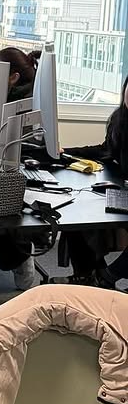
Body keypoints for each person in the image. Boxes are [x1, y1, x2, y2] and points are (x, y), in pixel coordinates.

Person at [0, 46, 47, 291]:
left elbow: (34, 141)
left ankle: (21, 256)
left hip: (21, 161)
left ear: (13, 77)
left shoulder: (26, 101)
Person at [64, 77, 128, 287]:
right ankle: (88, 274)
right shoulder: (120, 119)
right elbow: (106, 150)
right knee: (76, 208)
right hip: (125, 191)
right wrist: (66, 153)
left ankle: (106, 277)